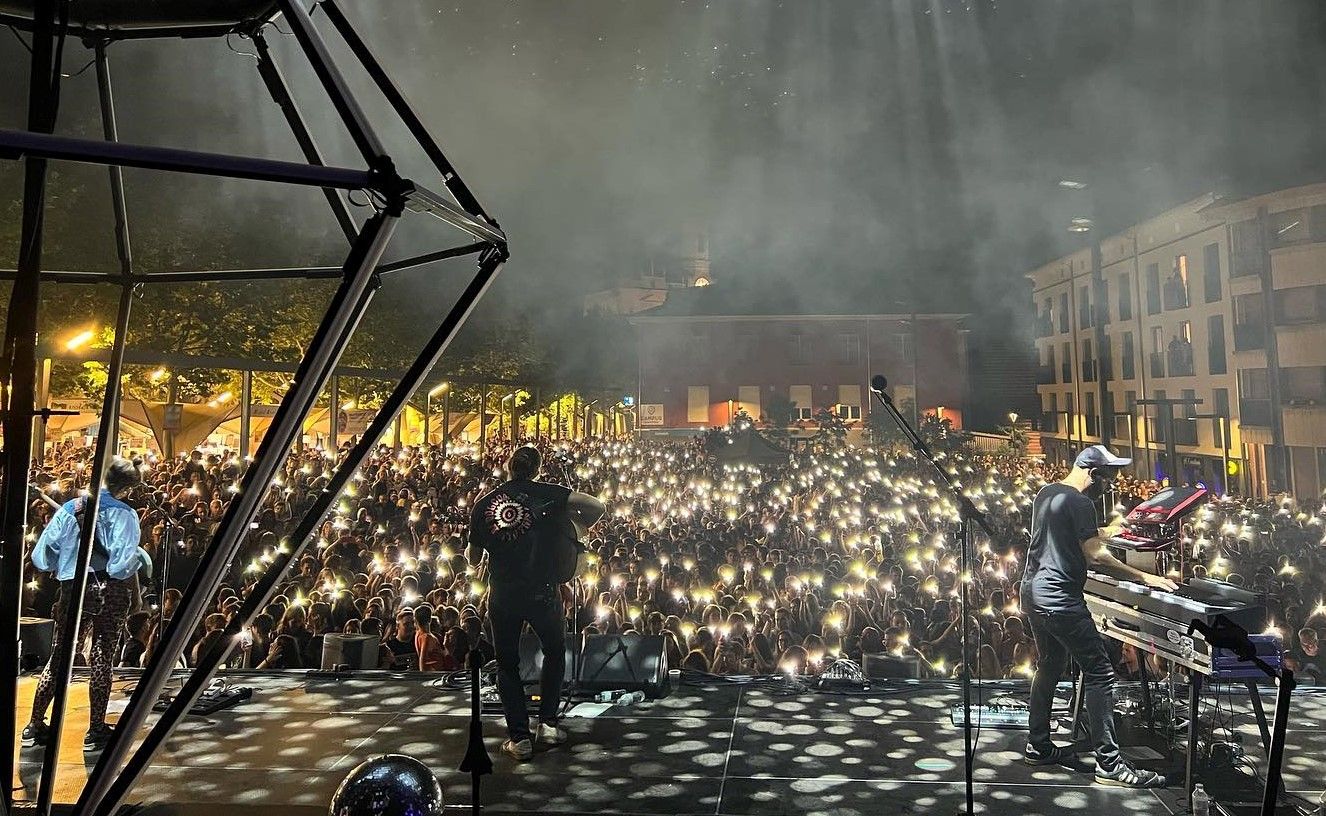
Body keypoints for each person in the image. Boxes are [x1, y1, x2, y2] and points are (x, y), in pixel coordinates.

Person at [1020, 445, 1175, 787]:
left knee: (1050, 663)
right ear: (1094, 474)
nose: (1112, 483)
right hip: (1060, 599)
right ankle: (1109, 764)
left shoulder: (1047, 494)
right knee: (1101, 673)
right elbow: (1093, 555)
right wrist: (1144, 576)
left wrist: (1112, 529)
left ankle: (1039, 745)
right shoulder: (1081, 502)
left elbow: (1074, 536)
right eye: (1109, 477)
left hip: (1033, 592)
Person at [468, 445, 605, 761]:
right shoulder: (552, 495)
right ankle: (547, 724)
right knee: (555, 651)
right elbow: (596, 506)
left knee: (507, 663)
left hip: (503, 594)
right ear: (538, 468)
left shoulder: (485, 504)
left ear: (507, 466)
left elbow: (473, 557)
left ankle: (519, 738)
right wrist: (576, 529)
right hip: (542, 592)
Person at [24, 457, 145, 752]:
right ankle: (96, 730)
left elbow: (42, 557)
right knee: (103, 656)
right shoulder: (125, 514)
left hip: (72, 587)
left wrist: (65, 562)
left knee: (60, 655)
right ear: (127, 488)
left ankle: (35, 725)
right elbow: (121, 564)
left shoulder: (69, 509)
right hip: (110, 590)